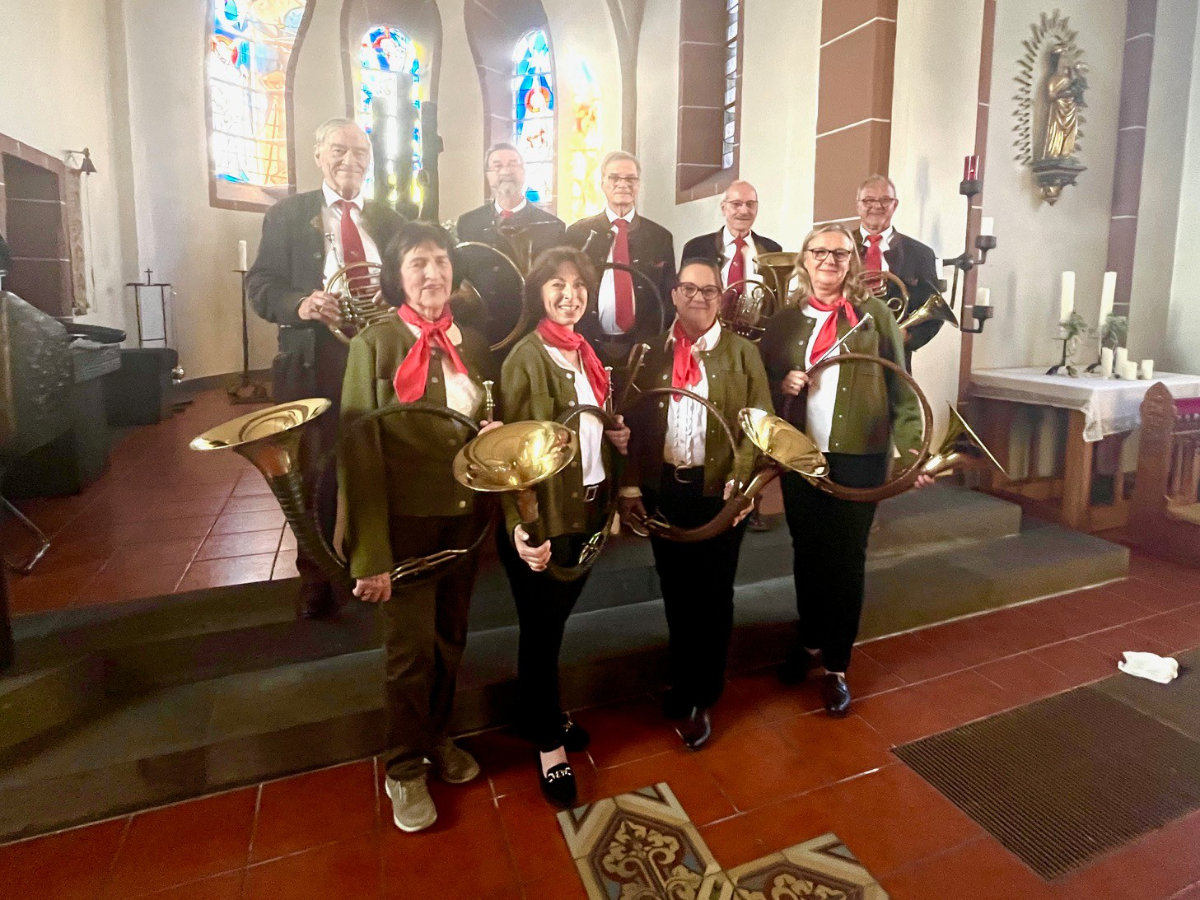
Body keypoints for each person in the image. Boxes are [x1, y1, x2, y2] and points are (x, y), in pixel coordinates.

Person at [339, 221, 498, 833]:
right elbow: (358, 453)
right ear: (397, 277)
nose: (433, 274)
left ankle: (437, 736)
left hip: (463, 520)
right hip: (403, 525)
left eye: (441, 261)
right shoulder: (375, 344)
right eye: (417, 264)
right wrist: (370, 554)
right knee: (409, 653)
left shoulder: (473, 343)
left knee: (449, 639)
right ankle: (404, 767)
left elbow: (487, 419)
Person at [759, 224, 930, 717]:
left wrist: (913, 453)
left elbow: (902, 388)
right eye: (819, 252)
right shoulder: (784, 322)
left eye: (840, 253)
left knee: (847, 556)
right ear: (804, 260)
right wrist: (782, 383)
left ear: (852, 262)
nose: (829, 260)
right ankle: (810, 639)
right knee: (808, 552)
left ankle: (836, 663)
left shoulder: (875, 316)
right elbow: (760, 383)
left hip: (861, 455)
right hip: (801, 454)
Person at [247, 117, 405, 619]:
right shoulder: (288, 215)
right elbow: (261, 286)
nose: (349, 161)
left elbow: (412, 278)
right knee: (316, 471)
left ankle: (374, 562)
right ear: (318, 154)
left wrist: (396, 295)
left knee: (383, 461)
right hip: (317, 360)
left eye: (360, 152)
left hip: (382, 359)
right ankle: (315, 573)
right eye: (339, 150)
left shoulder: (391, 219)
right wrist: (303, 303)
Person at [618, 259, 772, 750]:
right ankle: (683, 682)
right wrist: (631, 485)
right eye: (689, 288)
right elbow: (630, 425)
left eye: (708, 290)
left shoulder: (743, 353)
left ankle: (704, 694)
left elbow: (759, 424)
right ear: (674, 294)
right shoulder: (649, 353)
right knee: (676, 591)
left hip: (719, 494)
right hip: (667, 489)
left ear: (721, 297)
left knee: (713, 594)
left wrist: (741, 484)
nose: (698, 298)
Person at [497, 247, 631, 807]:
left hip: (587, 508)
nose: (569, 294)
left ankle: (540, 711)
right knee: (542, 629)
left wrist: (615, 441)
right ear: (539, 292)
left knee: (551, 626)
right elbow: (507, 456)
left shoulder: (584, 352)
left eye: (578, 284)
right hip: (546, 518)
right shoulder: (526, 358)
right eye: (557, 284)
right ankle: (548, 743)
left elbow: (593, 429)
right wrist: (521, 526)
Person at [566, 151, 675, 362]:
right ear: (602, 183)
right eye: (614, 178)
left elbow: (668, 297)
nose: (623, 184)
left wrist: (648, 340)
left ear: (638, 184)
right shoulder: (577, 234)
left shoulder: (660, 237)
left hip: (643, 348)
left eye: (630, 179)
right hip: (586, 345)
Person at [456, 143, 566, 346]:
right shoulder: (468, 223)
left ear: (523, 172)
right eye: (497, 166)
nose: (506, 171)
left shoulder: (552, 227)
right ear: (488, 175)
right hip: (480, 332)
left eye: (513, 164)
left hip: (532, 332)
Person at [853, 175, 940, 371]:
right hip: (842, 352)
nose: (877, 206)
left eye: (885, 200)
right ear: (858, 205)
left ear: (895, 204)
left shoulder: (920, 253)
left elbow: (934, 310)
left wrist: (908, 337)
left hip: (894, 358)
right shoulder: (839, 247)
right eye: (868, 200)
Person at [679, 180, 781, 291]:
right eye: (736, 204)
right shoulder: (696, 248)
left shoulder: (772, 250)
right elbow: (685, 293)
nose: (744, 211)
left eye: (750, 204)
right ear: (723, 208)